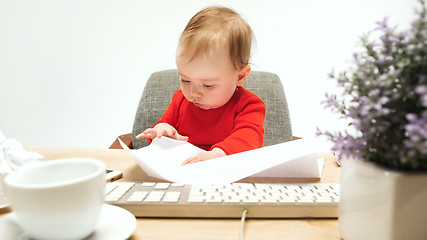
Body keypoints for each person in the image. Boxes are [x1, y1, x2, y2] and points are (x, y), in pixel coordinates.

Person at [136, 6, 266, 165]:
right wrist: (163, 135)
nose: (193, 93)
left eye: (208, 85)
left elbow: (249, 138)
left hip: (229, 178)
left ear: (240, 76)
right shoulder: (180, 100)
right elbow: (164, 128)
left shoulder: (249, 106)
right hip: (184, 175)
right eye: (186, 80)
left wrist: (219, 155)